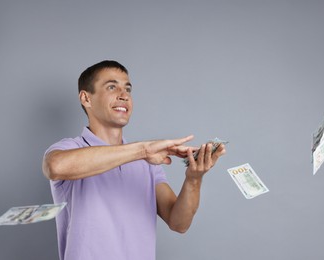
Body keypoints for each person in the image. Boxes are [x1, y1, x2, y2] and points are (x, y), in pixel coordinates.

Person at [42, 60, 226, 260]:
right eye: (112, 87)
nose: (124, 95)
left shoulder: (147, 161)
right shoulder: (70, 148)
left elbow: (179, 223)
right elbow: (55, 166)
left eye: (128, 89)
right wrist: (143, 150)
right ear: (86, 98)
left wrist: (194, 178)